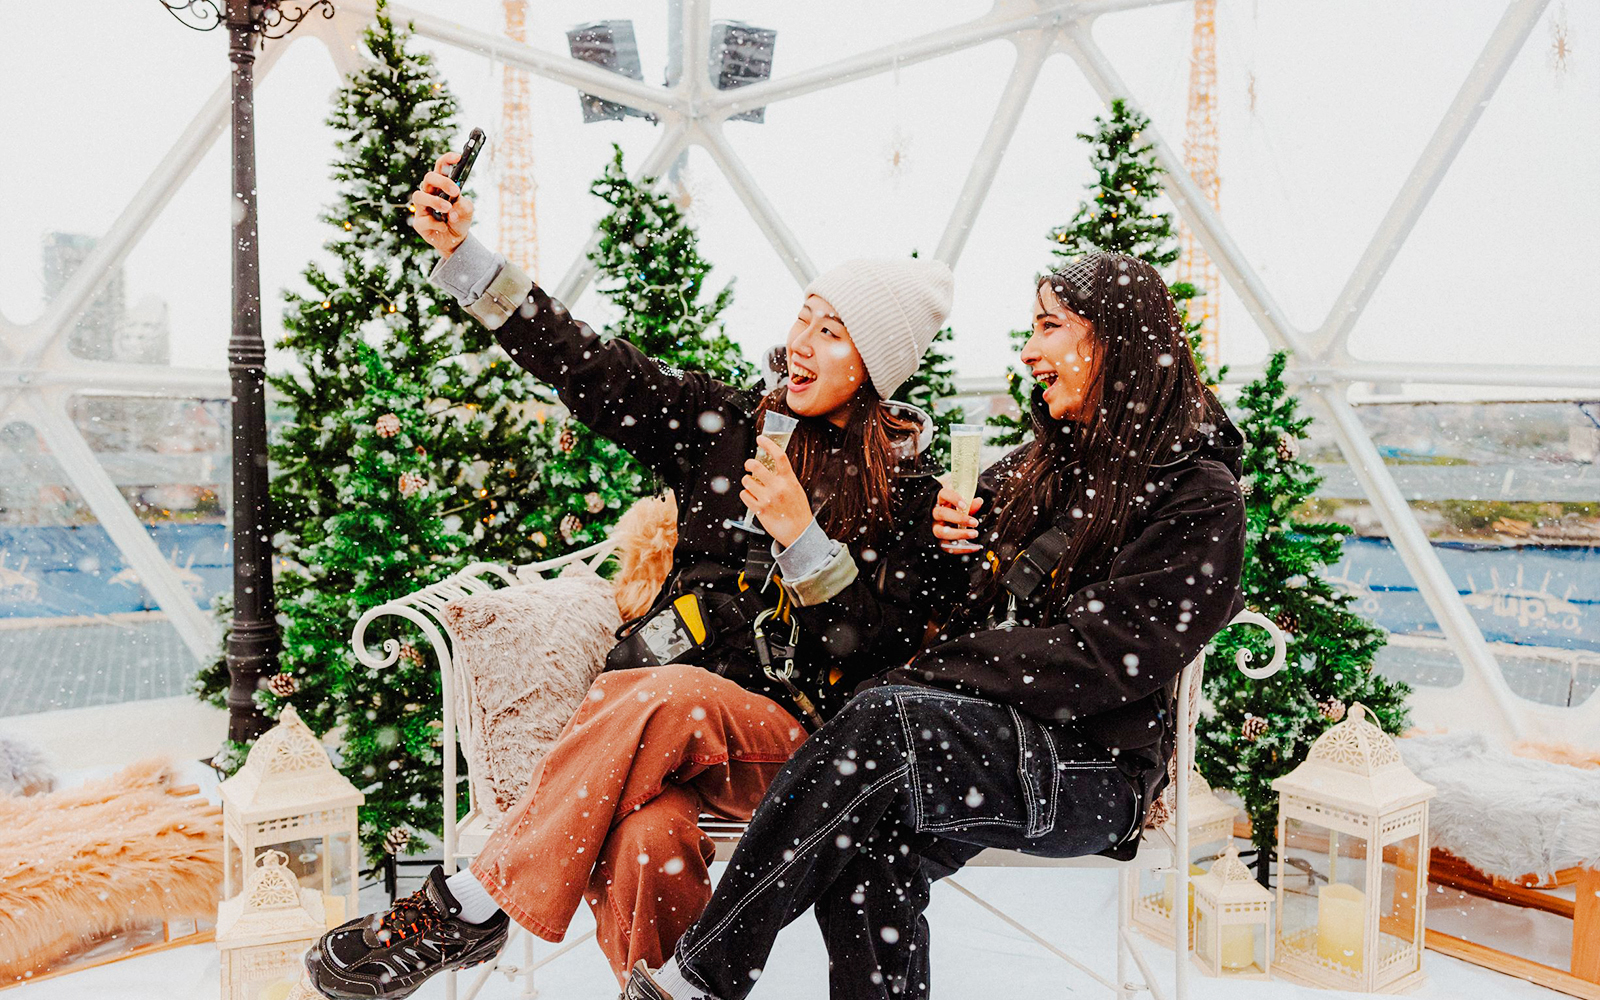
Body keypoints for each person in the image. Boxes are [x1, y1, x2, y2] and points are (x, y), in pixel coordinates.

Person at [304, 154, 956, 999]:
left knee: (672, 696)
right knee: (645, 841)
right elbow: (586, 365)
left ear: (875, 364)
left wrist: (803, 539)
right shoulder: (725, 424)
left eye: (833, 333)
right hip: (657, 720)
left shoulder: (909, 495)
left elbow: (876, 651)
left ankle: (471, 901)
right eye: (805, 316)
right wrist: (465, 258)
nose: (802, 343)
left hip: (793, 749)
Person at [623, 253, 1248, 1000]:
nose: (1028, 350)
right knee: (868, 845)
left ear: (1115, 343)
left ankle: (704, 976)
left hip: (1092, 768)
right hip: (993, 741)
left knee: (885, 719)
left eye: (1049, 326)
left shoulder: (1198, 497)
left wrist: (928, 674)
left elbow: (1101, 659)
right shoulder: (1037, 469)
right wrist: (958, 549)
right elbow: (925, 601)